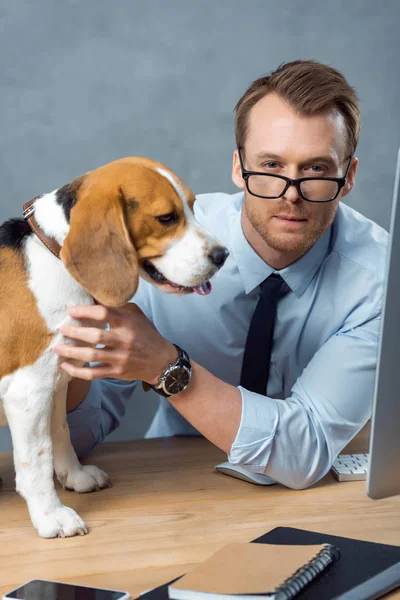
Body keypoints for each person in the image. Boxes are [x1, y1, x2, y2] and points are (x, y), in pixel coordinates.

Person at [53, 59, 388, 490]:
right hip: (178, 482)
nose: (290, 194)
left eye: (316, 170)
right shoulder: (164, 244)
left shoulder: (380, 282)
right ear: (237, 167)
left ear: (349, 177)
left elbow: (304, 452)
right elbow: (78, 437)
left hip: (315, 499)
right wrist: (71, 351)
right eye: (270, 165)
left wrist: (165, 367)